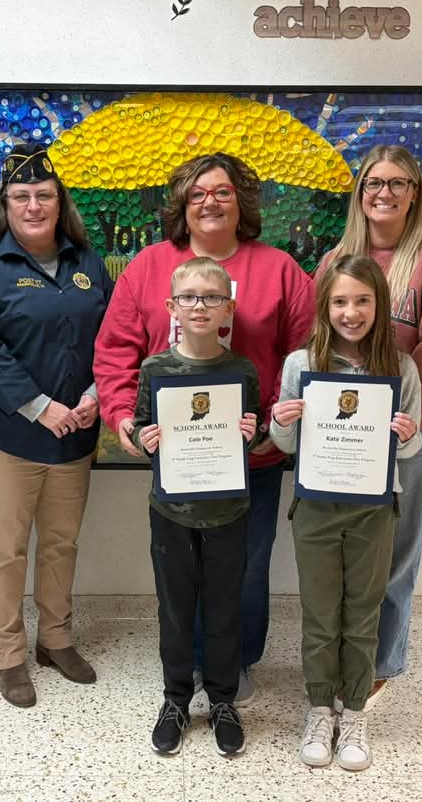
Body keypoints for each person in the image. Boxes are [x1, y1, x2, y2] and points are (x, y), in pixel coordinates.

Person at [94, 153, 315, 704]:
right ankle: (185, 665)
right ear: (181, 206)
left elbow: (307, 356)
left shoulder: (279, 269)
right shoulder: (148, 267)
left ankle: (234, 662)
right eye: (197, 194)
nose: (210, 202)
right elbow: (116, 351)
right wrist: (123, 414)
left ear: (241, 201)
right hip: (176, 456)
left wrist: (276, 424)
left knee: (243, 565)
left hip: (252, 457)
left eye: (222, 192)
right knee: (180, 568)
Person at [0, 142, 113, 708]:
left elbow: (111, 339)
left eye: (44, 194)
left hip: (76, 434)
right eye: (21, 195)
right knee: (8, 548)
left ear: (58, 200)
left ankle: (57, 640)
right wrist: (41, 406)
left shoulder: (86, 262)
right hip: (6, 437)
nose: (34, 205)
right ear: (5, 203)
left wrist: (95, 395)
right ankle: (9, 655)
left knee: (62, 543)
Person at [317, 144, 422, 707]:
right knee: (341, 549)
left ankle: (379, 662)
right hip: (343, 432)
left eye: (397, 183)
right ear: (360, 193)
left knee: (396, 552)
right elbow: (315, 349)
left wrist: (404, 427)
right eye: (374, 182)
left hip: (409, 433)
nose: (384, 193)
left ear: (414, 193)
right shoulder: (335, 260)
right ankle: (336, 654)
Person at [270, 255, 422, 770]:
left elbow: (407, 450)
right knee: (319, 613)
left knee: (362, 613)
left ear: (379, 304)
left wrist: (407, 434)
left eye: (362, 300)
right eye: (340, 301)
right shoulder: (301, 364)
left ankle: (353, 711)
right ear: (324, 306)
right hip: (314, 505)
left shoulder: (400, 368)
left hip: (373, 510)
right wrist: (280, 419)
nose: (351, 312)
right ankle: (318, 707)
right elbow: (284, 441)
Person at [132, 257, 261, 757]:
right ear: (172, 307)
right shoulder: (155, 369)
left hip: (228, 510)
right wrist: (147, 437)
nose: (200, 306)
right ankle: (176, 700)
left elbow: (249, 436)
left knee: (226, 609)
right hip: (171, 512)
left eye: (212, 296)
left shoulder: (240, 369)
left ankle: (224, 701)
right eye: (189, 298)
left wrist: (253, 434)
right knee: (176, 610)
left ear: (228, 306)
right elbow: (143, 431)